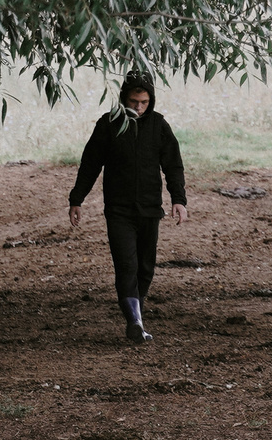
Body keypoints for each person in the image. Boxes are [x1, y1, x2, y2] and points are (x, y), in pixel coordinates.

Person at [67, 70, 188, 343]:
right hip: (119, 211)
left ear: (151, 101)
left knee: (145, 267)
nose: (138, 107)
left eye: (144, 102)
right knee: (126, 265)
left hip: (149, 210)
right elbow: (90, 164)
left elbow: (173, 165)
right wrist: (77, 199)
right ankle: (134, 321)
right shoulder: (108, 124)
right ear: (123, 99)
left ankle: (137, 317)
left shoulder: (159, 126)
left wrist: (178, 199)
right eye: (134, 101)